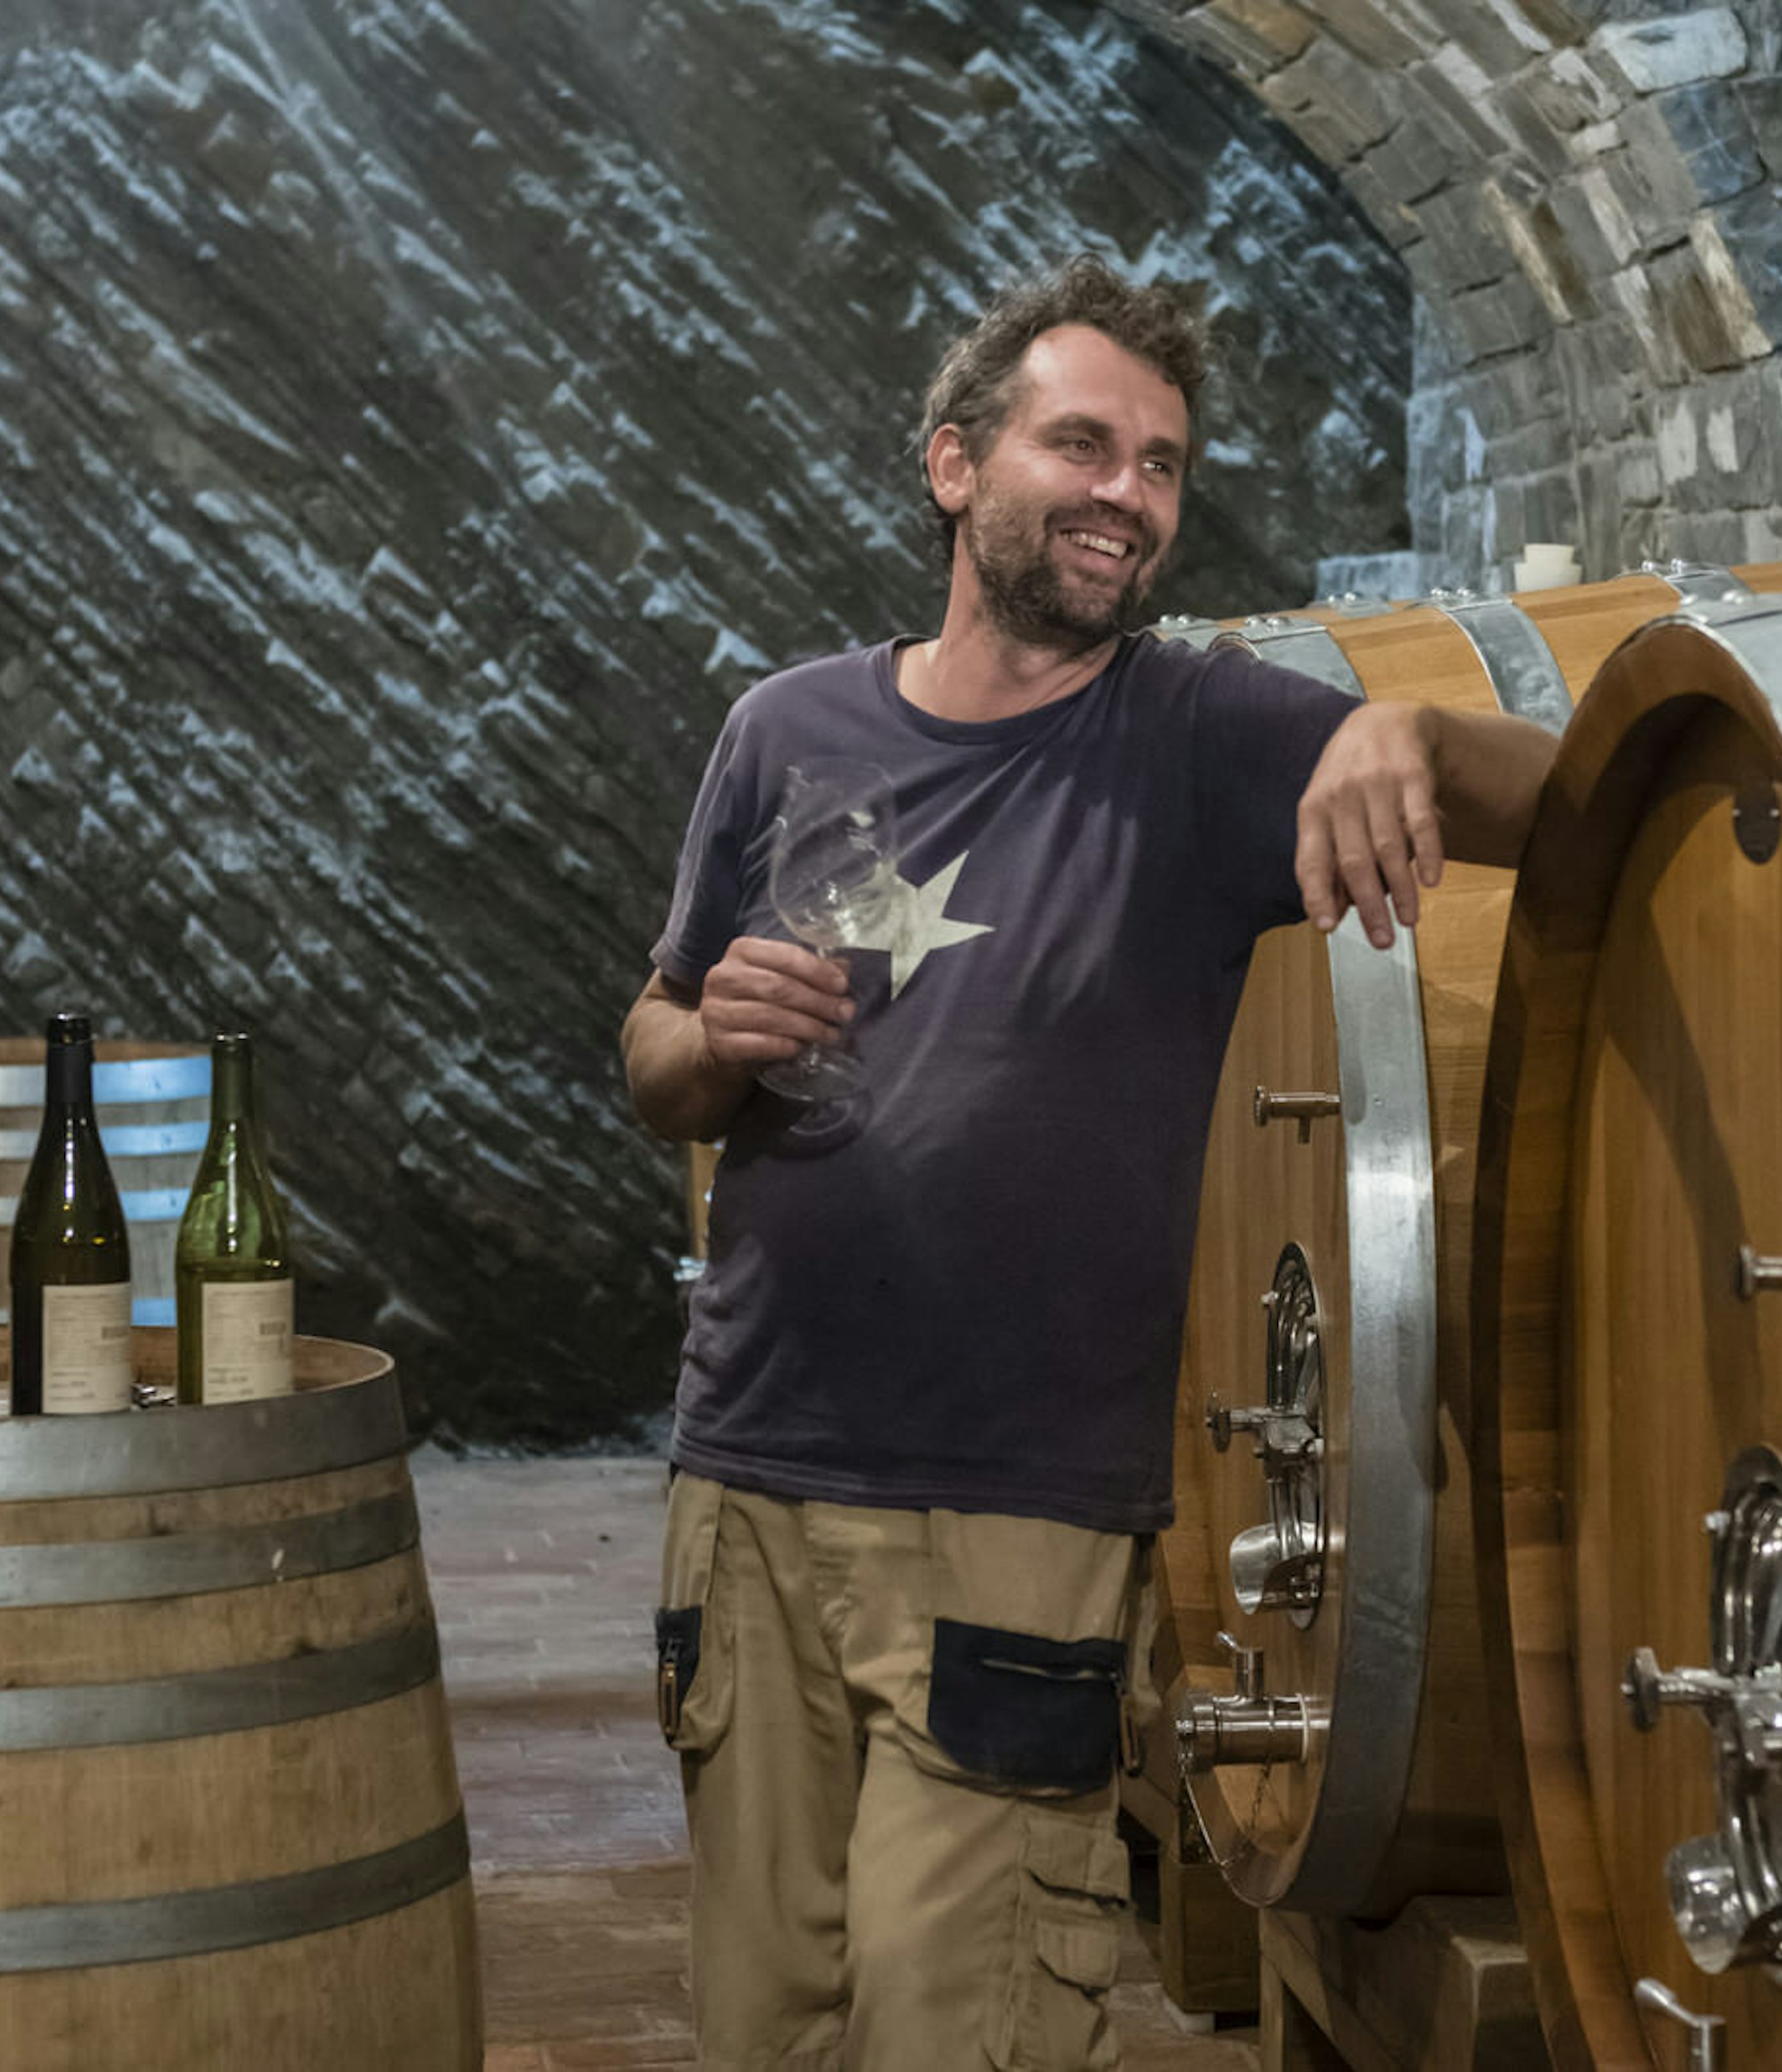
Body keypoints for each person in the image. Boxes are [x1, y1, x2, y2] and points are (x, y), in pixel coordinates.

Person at [619, 255, 1548, 2072]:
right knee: (762, 2032)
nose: (1130, 490)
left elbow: (1567, 791)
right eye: (1083, 444)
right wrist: (707, 1036)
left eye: (1165, 463)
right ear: (957, 464)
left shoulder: (1194, 737)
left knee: (953, 2030)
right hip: (749, 1478)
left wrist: (1411, 727)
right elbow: (652, 1055)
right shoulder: (784, 730)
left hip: (1017, 1521)